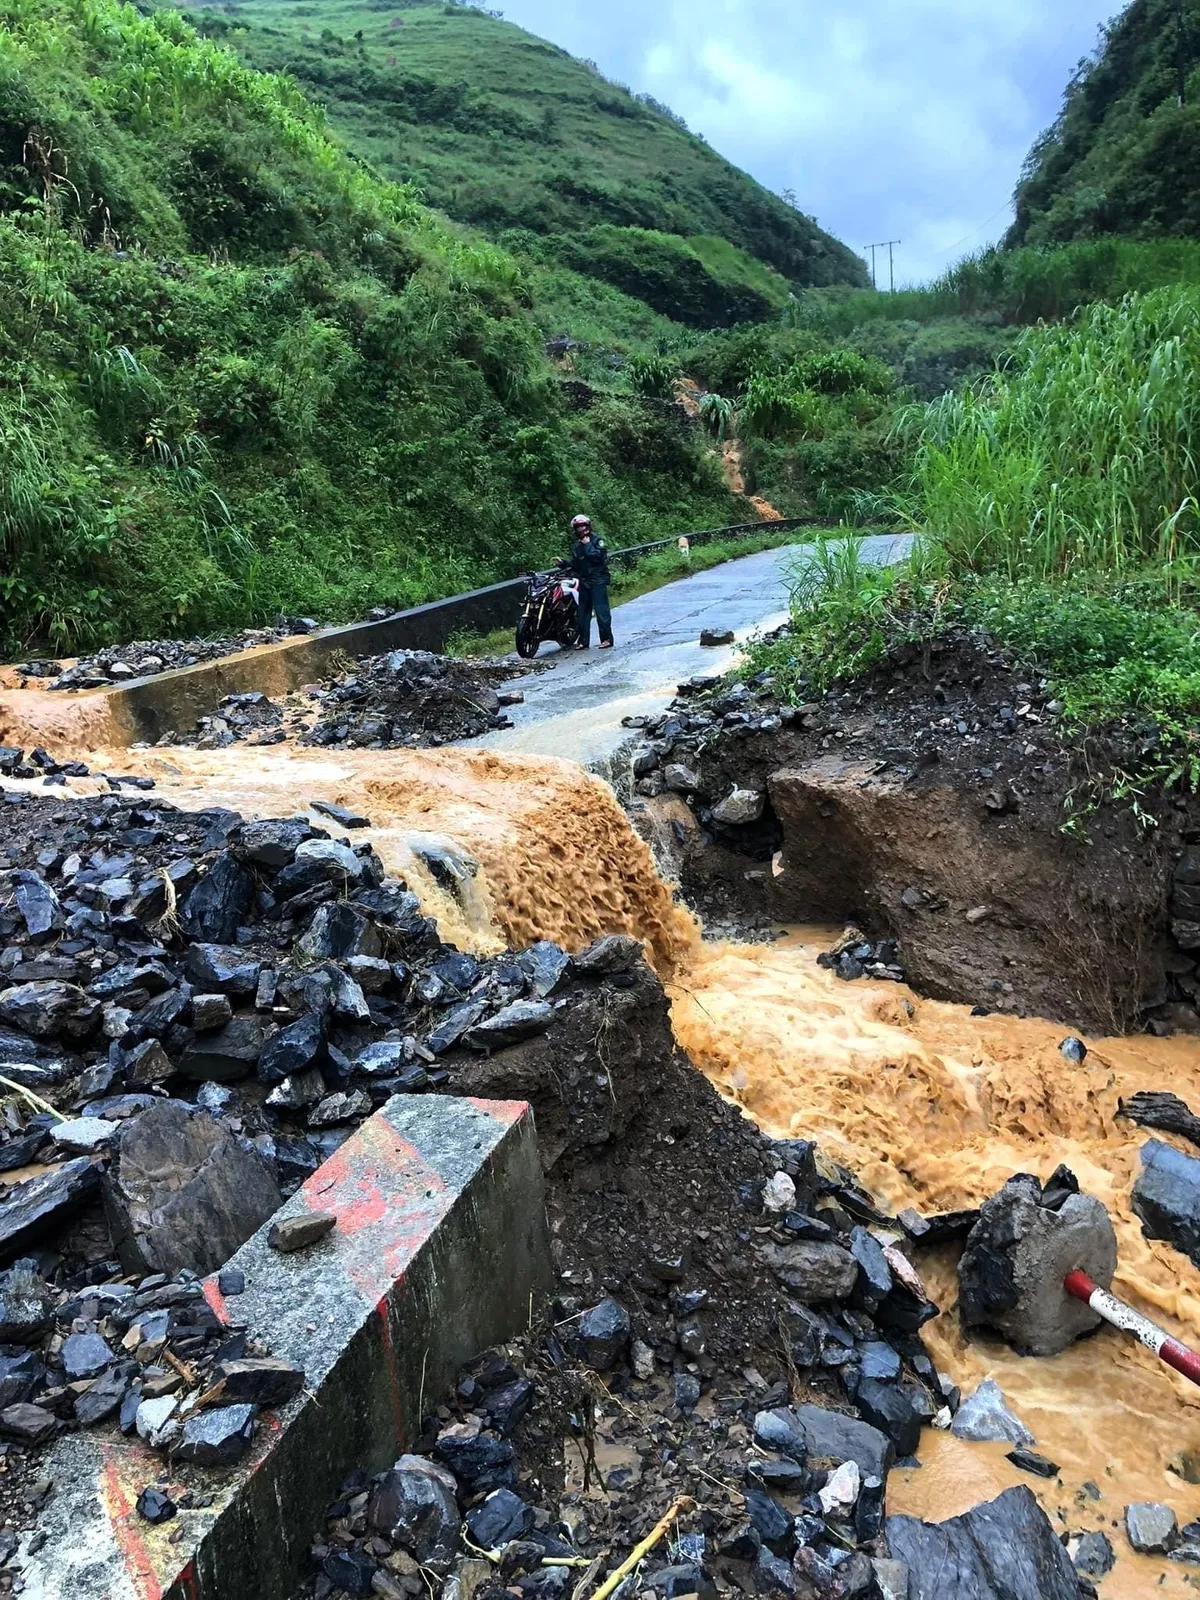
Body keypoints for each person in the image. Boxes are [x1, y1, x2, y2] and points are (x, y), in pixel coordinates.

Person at [564, 514, 613, 649]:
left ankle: (607, 639)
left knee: (601, 611)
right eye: (578, 527)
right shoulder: (576, 546)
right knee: (582, 613)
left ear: (588, 526)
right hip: (584, 581)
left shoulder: (597, 541)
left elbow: (597, 557)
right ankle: (583, 641)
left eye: (583, 526)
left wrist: (588, 545)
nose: (581, 529)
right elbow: (575, 564)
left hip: (598, 580)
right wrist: (563, 564)